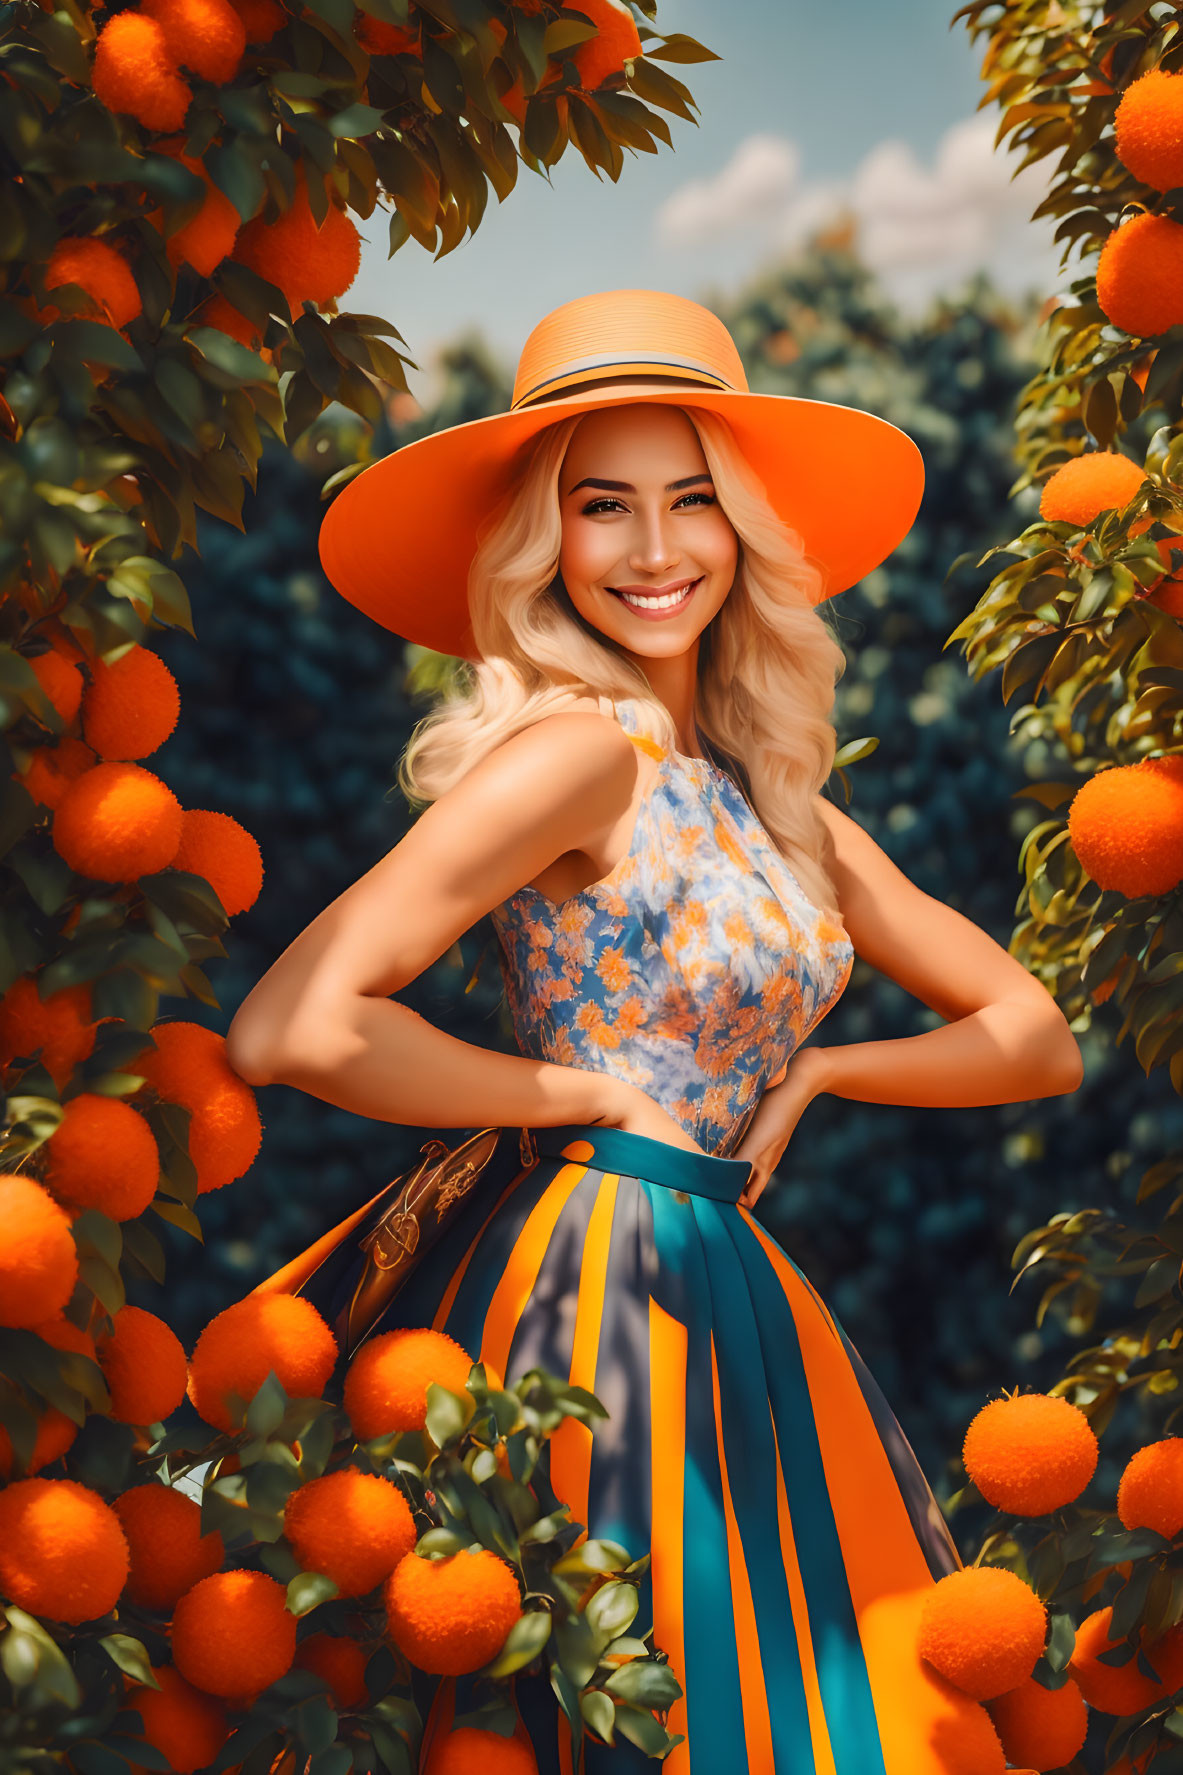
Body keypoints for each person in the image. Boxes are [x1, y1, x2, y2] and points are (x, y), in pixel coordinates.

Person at [225, 289, 1084, 1774]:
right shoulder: (573, 752)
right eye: (602, 505)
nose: (656, 550)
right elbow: (292, 1024)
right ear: (541, 540)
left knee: (804, 1702)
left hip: (731, 1282)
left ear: (741, 527)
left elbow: (1034, 1035)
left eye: (693, 501)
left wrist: (824, 1070)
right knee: (654, 1702)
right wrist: (573, 1091)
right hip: (592, 1288)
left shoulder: (775, 798)